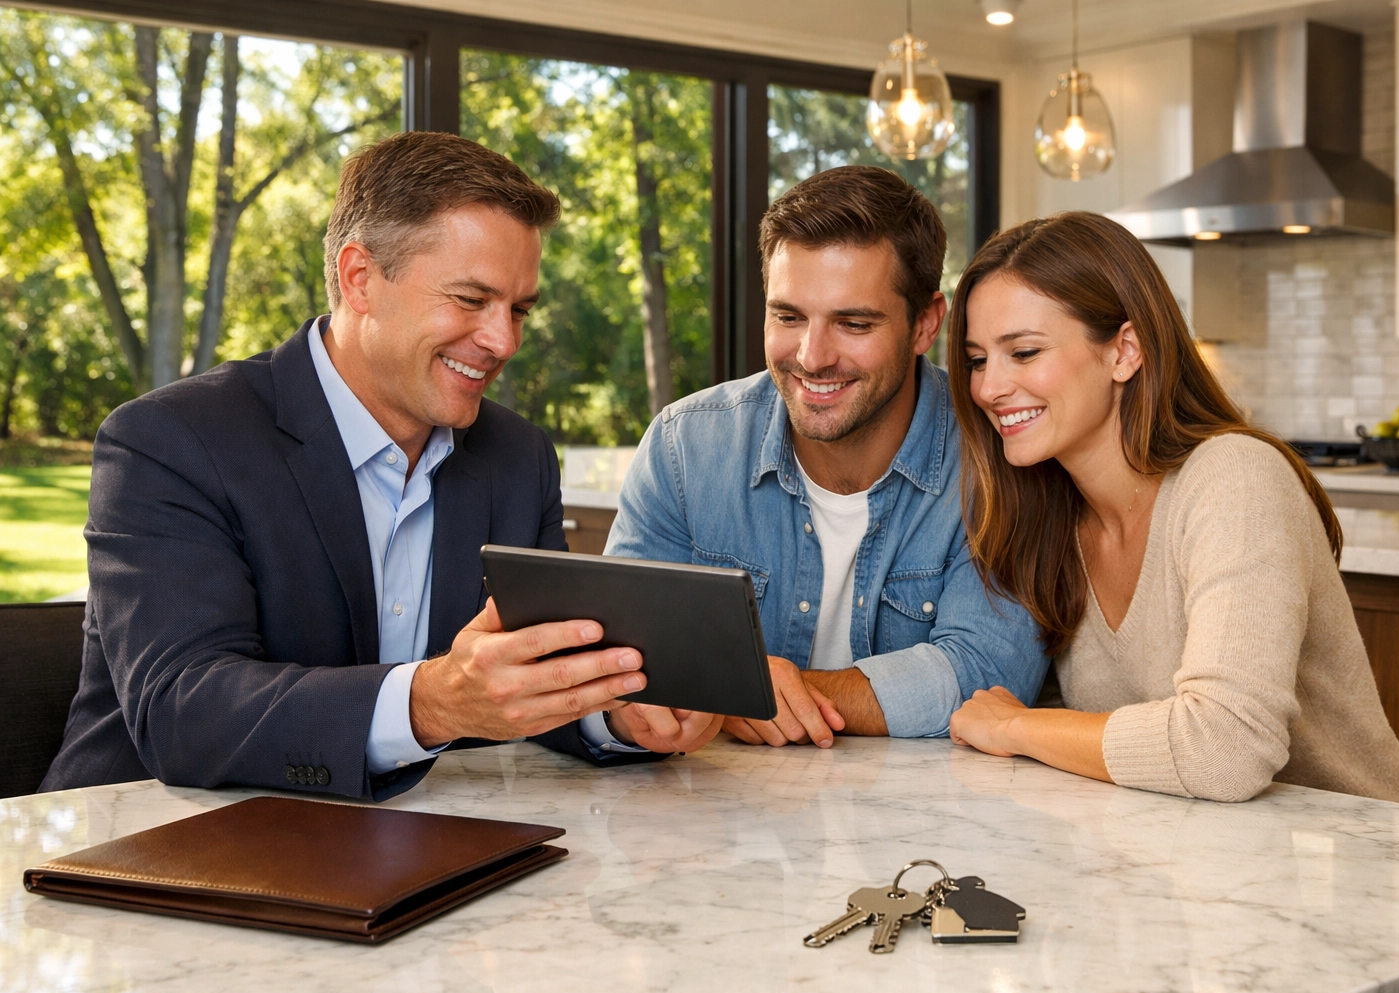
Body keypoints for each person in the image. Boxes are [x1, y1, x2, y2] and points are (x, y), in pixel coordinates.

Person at [41, 132, 720, 801]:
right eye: (470, 300)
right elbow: (182, 710)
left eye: (519, 310)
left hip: (413, 851)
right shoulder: (170, 440)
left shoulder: (518, 457)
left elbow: (523, 677)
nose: (502, 340)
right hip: (144, 851)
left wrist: (613, 715)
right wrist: (430, 704)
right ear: (359, 277)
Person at [944, 210, 1399, 807]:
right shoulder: (1053, 518)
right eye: (976, 360)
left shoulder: (1234, 478)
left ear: (1125, 351)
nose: (988, 388)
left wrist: (1013, 726)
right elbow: (1080, 735)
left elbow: (1226, 749)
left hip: (1365, 871)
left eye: (1022, 352)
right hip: (1205, 869)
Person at [602, 166, 1047, 749]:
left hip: (931, 827)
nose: (812, 357)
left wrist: (746, 688)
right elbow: (617, 660)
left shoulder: (998, 454)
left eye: (854, 323)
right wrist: (644, 707)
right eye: (787, 317)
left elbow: (985, 676)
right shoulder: (685, 447)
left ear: (926, 325)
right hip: (714, 815)